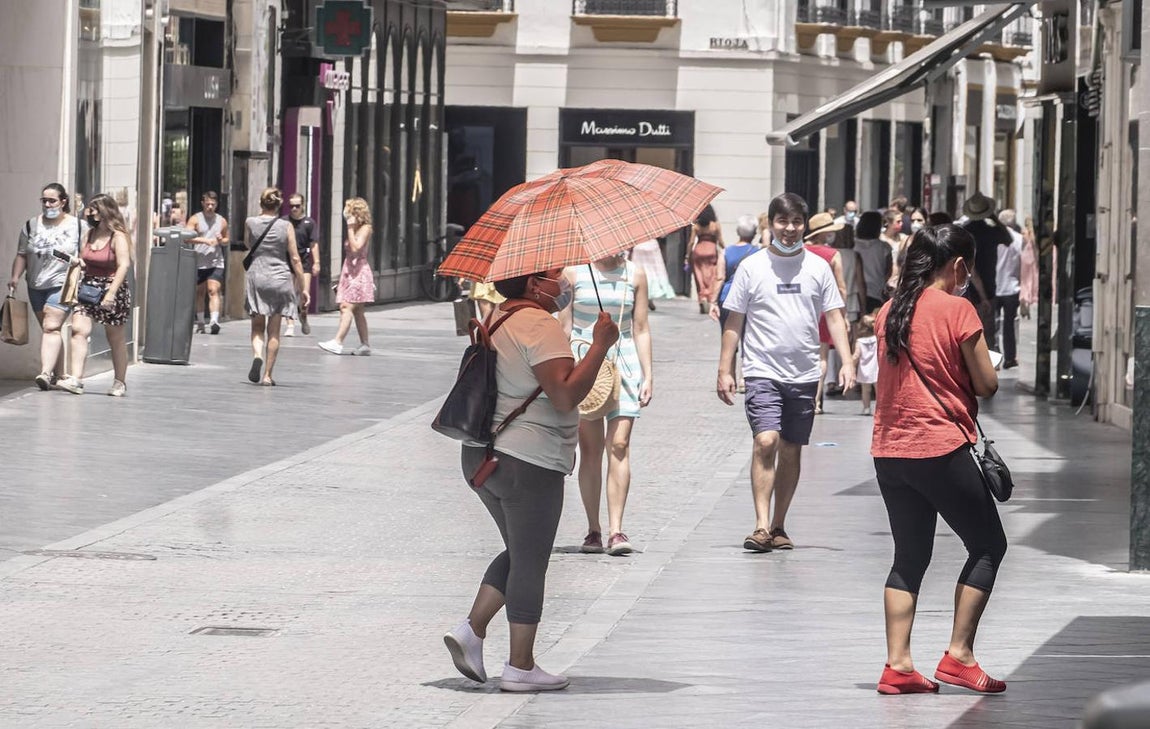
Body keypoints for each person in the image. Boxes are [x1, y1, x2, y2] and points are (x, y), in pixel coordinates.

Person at [443, 269, 619, 692]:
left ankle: (472, 630)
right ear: (533, 284)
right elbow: (564, 395)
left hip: (482, 455)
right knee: (531, 559)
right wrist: (600, 345)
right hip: (527, 459)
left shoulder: (499, 316)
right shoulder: (539, 324)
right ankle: (520, 666)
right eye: (554, 274)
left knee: (523, 549)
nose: (563, 281)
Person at [871, 223, 1006, 696]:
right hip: (939, 445)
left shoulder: (889, 310)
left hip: (889, 449)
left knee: (909, 556)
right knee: (989, 546)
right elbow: (986, 385)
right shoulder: (958, 309)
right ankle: (959, 655)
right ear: (960, 265)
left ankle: (898, 665)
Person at [717, 193, 855, 552]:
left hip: (805, 371)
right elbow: (735, 319)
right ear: (771, 224)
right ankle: (761, 525)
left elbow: (835, 318)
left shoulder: (817, 267)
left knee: (792, 449)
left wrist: (848, 362)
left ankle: (779, 524)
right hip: (762, 369)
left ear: (804, 225)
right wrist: (725, 368)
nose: (790, 229)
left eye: (796, 222)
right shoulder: (752, 266)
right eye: (783, 222)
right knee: (766, 440)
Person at [561, 254, 652, 557]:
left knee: (620, 445)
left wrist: (648, 373)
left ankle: (616, 530)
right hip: (586, 362)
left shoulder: (635, 274)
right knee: (590, 449)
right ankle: (593, 529)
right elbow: (564, 327)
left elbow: (640, 328)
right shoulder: (573, 274)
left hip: (624, 364)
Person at [10, 183, 86, 389]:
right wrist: (15, 277)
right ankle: (60, 375)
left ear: (63, 201)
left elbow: (87, 253)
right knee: (51, 330)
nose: (47, 204)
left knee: (50, 326)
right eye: (44, 200)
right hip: (36, 284)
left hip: (62, 283)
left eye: (52, 200)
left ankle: (44, 373)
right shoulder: (30, 225)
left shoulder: (78, 226)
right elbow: (22, 254)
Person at [58, 194, 133, 396]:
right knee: (78, 329)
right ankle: (76, 379)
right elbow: (86, 256)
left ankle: (119, 382)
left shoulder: (118, 236)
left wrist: (110, 293)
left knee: (115, 337)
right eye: (89, 209)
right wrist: (79, 262)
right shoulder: (90, 234)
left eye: (93, 209)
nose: (89, 213)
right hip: (88, 287)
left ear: (105, 211)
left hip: (112, 288)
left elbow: (124, 265)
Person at [244, 187, 308, 386]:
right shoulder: (286, 226)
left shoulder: (250, 222)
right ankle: (267, 375)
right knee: (274, 331)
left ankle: (257, 355)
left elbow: (248, 244)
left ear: (261, 203)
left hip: (257, 277)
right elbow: (295, 258)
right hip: (280, 278)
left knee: (257, 326)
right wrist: (303, 288)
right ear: (279, 205)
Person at [803, 212, 849, 414]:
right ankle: (816, 401)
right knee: (822, 357)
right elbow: (841, 289)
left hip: (805, 306)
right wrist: (843, 315)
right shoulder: (832, 255)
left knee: (806, 353)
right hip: (825, 309)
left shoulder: (801, 251)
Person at [319, 198, 375, 356]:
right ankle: (365, 344)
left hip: (358, 273)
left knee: (346, 307)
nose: (346, 214)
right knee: (357, 311)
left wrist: (350, 228)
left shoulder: (365, 228)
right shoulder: (356, 228)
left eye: (349, 210)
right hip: (349, 271)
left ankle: (338, 342)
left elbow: (356, 248)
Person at [958, 193, 1009, 344]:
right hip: (988, 286)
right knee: (987, 334)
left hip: (967, 288)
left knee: (968, 334)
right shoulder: (992, 231)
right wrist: (994, 218)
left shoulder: (964, 231)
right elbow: (1008, 239)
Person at [185, 191, 229, 334]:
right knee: (200, 293)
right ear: (203, 203)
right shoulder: (195, 219)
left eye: (213, 204)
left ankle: (214, 320)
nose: (210, 207)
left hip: (216, 262)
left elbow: (227, 239)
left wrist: (221, 241)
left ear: (216, 205)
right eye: (208, 204)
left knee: (213, 290)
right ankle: (200, 322)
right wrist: (205, 240)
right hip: (199, 261)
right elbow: (186, 237)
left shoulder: (221, 221)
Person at [284, 193, 320, 336]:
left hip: (304, 260)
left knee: (304, 296)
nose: (294, 209)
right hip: (287, 261)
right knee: (289, 294)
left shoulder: (309, 223)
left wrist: (316, 262)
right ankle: (290, 325)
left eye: (297, 206)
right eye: (291, 206)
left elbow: (314, 244)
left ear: (302, 206)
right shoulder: (284, 222)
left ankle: (303, 315)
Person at [995, 210, 1023, 368]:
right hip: (1012, 287)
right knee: (1009, 324)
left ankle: (995, 359)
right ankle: (1010, 357)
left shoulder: (994, 238)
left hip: (995, 286)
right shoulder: (1018, 239)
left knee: (994, 326)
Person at [686, 204, 723, 315]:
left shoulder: (696, 226)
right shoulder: (715, 225)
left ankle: (702, 297)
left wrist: (687, 255)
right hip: (711, 251)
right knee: (712, 276)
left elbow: (691, 242)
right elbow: (720, 241)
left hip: (698, 251)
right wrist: (726, 250)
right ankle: (709, 296)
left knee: (699, 277)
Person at [854, 211, 893, 313]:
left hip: (855, 293)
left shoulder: (853, 245)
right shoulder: (884, 247)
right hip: (877, 292)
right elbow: (888, 271)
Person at [628, 238, 675, 309]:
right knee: (652, 272)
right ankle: (648, 298)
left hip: (639, 245)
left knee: (640, 270)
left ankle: (645, 299)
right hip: (651, 245)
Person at [854, 312, 878, 415]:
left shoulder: (859, 342)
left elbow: (856, 355)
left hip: (864, 369)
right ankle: (880, 408)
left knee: (865, 390)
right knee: (879, 390)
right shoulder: (877, 339)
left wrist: (851, 365)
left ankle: (866, 408)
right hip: (876, 368)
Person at [1019, 216, 1039, 319]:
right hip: (1033, 257)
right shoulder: (1034, 233)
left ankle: (1024, 297)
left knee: (1024, 281)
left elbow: (1022, 243)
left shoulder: (1024, 231)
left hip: (1025, 256)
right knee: (1033, 280)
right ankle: (1029, 298)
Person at [880, 209, 905, 290]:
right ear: (888, 223)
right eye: (898, 221)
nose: (901, 224)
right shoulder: (880, 239)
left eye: (901, 221)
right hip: (885, 277)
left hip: (900, 277)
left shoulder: (904, 238)